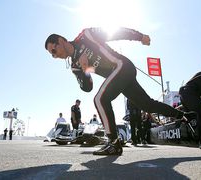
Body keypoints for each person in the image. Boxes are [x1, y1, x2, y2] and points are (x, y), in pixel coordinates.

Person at [45, 27, 193, 155]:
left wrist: (139, 36)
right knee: (147, 105)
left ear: (61, 40)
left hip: (123, 66)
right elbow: (87, 87)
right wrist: (85, 70)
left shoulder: (86, 35)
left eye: (53, 50)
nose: (54, 55)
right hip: (119, 78)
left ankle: (113, 142)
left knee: (100, 99)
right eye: (51, 55)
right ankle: (183, 116)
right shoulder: (74, 66)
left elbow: (115, 32)